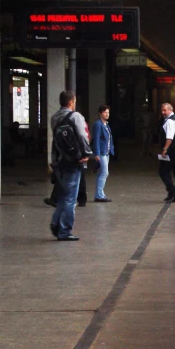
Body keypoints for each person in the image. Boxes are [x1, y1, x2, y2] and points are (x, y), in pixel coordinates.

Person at [49, 90, 91, 241]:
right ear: (71, 102)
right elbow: (82, 135)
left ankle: (56, 224)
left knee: (64, 195)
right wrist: (86, 153)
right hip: (73, 161)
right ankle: (64, 230)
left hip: (60, 160)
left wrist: (53, 160)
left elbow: (55, 140)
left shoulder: (54, 118)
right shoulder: (76, 116)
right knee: (70, 198)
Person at [157, 102, 175, 203]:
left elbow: (169, 137)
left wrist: (165, 149)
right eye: (162, 110)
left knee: (163, 171)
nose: (163, 112)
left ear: (170, 109)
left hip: (172, 150)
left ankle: (173, 191)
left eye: (165, 110)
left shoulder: (170, 121)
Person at [91, 105, 113, 202]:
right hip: (101, 152)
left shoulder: (106, 124)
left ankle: (99, 194)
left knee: (101, 173)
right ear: (100, 113)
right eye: (105, 112)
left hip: (106, 151)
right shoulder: (98, 124)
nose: (107, 114)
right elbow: (96, 139)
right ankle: (99, 195)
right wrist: (96, 154)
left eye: (108, 112)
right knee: (104, 172)